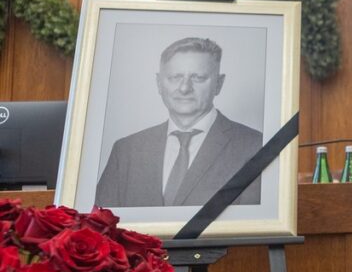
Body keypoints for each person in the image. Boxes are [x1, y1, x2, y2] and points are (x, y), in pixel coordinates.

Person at [95, 37, 263, 207]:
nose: (184, 88)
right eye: (175, 77)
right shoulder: (126, 151)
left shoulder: (254, 147)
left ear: (219, 84)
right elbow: (99, 227)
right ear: (159, 83)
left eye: (198, 78)